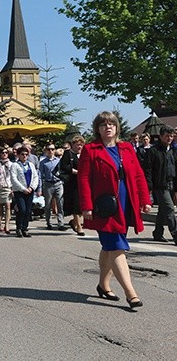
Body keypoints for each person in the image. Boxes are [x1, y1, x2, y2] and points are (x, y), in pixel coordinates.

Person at [78, 111, 151, 309]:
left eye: (111, 124)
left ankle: (103, 284)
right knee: (117, 247)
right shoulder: (90, 149)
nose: (107, 127)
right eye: (103, 125)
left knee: (109, 247)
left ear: (117, 127)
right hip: (104, 206)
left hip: (126, 203)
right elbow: (83, 179)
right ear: (98, 129)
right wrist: (86, 206)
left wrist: (145, 199)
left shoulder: (127, 148)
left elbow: (137, 175)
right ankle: (131, 293)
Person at [142, 125, 177, 244]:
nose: (169, 138)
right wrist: (149, 186)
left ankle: (157, 233)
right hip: (160, 185)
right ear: (161, 136)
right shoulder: (153, 150)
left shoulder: (172, 150)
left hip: (171, 183)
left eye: (171, 136)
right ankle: (176, 234)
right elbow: (148, 169)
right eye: (167, 136)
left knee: (163, 210)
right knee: (170, 209)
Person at [11, 146, 39, 238]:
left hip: (30, 190)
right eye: (22, 154)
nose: (24, 156)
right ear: (18, 155)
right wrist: (23, 189)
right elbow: (14, 179)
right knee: (22, 209)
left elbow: (35, 177)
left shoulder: (30, 164)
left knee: (28, 211)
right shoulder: (15, 165)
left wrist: (32, 187)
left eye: (26, 154)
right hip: (19, 191)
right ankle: (18, 228)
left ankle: (25, 228)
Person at [60, 135, 86, 236]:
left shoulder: (84, 154)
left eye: (81, 145)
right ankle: (79, 227)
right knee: (76, 204)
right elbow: (64, 166)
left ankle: (74, 222)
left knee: (82, 205)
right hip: (72, 183)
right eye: (77, 145)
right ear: (73, 145)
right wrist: (76, 172)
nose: (79, 147)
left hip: (83, 182)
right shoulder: (68, 154)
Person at [39, 143, 66, 231]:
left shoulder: (59, 161)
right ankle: (48, 222)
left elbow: (63, 172)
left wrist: (62, 180)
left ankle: (61, 223)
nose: (51, 151)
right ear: (46, 151)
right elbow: (40, 175)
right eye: (49, 149)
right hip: (48, 184)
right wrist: (40, 187)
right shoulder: (43, 162)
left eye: (52, 149)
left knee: (60, 204)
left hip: (58, 183)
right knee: (47, 205)